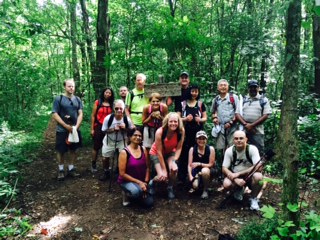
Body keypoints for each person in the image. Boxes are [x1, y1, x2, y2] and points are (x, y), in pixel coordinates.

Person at [222, 130, 262, 210]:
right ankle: (238, 191)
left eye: (241, 138)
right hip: (235, 176)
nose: (239, 140)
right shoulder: (229, 151)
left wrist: (239, 174)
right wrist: (235, 178)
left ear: (246, 139)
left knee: (258, 176)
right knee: (226, 183)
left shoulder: (252, 149)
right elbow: (224, 168)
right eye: (236, 139)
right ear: (233, 140)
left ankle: (253, 198)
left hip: (250, 176)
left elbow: (258, 166)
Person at [52, 79, 83, 181]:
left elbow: (80, 113)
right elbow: (55, 114)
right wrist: (65, 126)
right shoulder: (59, 99)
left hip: (74, 129)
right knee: (61, 150)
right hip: (62, 129)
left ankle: (71, 168)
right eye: (69, 86)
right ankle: (61, 170)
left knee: (74, 149)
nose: (71, 88)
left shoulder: (77, 99)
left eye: (73, 86)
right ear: (64, 87)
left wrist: (77, 126)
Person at [149, 112, 185, 199]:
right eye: (171, 121)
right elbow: (159, 152)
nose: (173, 124)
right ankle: (152, 182)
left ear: (178, 122)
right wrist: (164, 170)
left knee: (174, 169)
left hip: (170, 152)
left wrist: (174, 161)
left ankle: (170, 187)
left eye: (175, 121)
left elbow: (179, 148)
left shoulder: (181, 131)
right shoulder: (160, 132)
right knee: (162, 175)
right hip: (156, 153)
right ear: (167, 122)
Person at [178, 85, 207, 184]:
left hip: (198, 133)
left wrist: (200, 119)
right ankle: (183, 178)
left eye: (196, 91)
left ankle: (198, 177)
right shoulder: (182, 104)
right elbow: (177, 118)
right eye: (192, 91)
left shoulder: (200, 104)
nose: (194, 93)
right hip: (185, 133)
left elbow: (205, 118)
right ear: (189, 92)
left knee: (197, 153)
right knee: (184, 154)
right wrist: (185, 119)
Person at [118, 128, 153, 207]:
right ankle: (126, 193)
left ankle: (139, 193)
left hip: (142, 180)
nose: (138, 137)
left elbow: (148, 167)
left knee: (149, 203)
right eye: (135, 135)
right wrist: (139, 183)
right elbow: (122, 174)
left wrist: (145, 182)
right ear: (130, 137)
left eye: (140, 136)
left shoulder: (143, 149)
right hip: (126, 181)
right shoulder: (124, 152)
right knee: (136, 192)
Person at [235, 80, 272, 154]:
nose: (253, 89)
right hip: (244, 130)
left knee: (258, 151)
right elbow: (237, 114)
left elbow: (266, 115)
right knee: (241, 151)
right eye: (251, 87)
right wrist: (246, 125)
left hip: (257, 131)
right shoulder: (243, 99)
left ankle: (258, 165)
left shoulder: (263, 100)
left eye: (254, 87)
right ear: (248, 89)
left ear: (258, 88)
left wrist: (252, 125)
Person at [100, 100, 133, 181]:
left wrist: (125, 128)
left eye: (121, 108)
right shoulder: (108, 118)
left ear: (123, 109)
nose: (119, 110)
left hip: (122, 140)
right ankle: (106, 172)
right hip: (110, 140)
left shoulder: (127, 119)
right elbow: (103, 130)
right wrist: (113, 129)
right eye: (117, 108)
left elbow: (132, 131)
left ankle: (120, 171)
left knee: (123, 156)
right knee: (105, 157)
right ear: (113, 109)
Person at [90, 87, 114, 172]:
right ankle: (93, 164)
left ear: (111, 94)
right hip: (99, 126)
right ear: (103, 93)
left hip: (109, 127)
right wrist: (92, 129)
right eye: (106, 92)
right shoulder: (98, 102)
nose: (107, 94)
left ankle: (107, 165)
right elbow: (93, 116)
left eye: (109, 93)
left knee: (108, 145)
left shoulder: (112, 104)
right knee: (96, 146)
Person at [211, 79, 238, 151]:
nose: (223, 87)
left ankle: (233, 162)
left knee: (232, 148)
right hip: (220, 128)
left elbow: (238, 113)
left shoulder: (233, 97)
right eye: (221, 85)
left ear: (228, 87)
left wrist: (231, 122)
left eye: (225, 85)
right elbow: (213, 112)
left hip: (232, 127)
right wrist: (215, 118)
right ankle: (223, 161)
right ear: (218, 87)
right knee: (221, 148)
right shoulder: (216, 99)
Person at [188, 131, 215, 199]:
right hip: (196, 171)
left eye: (203, 139)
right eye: (199, 139)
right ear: (196, 139)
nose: (201, 141)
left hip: (207, 169)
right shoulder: (192, 149)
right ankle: (199, 185)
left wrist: (199, 164)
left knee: (204, 171)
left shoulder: (210, 149)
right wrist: (190, 176)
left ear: (206, 140)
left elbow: (211, 164)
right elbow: (189, 165)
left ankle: (205, 189)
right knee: (195, 186)